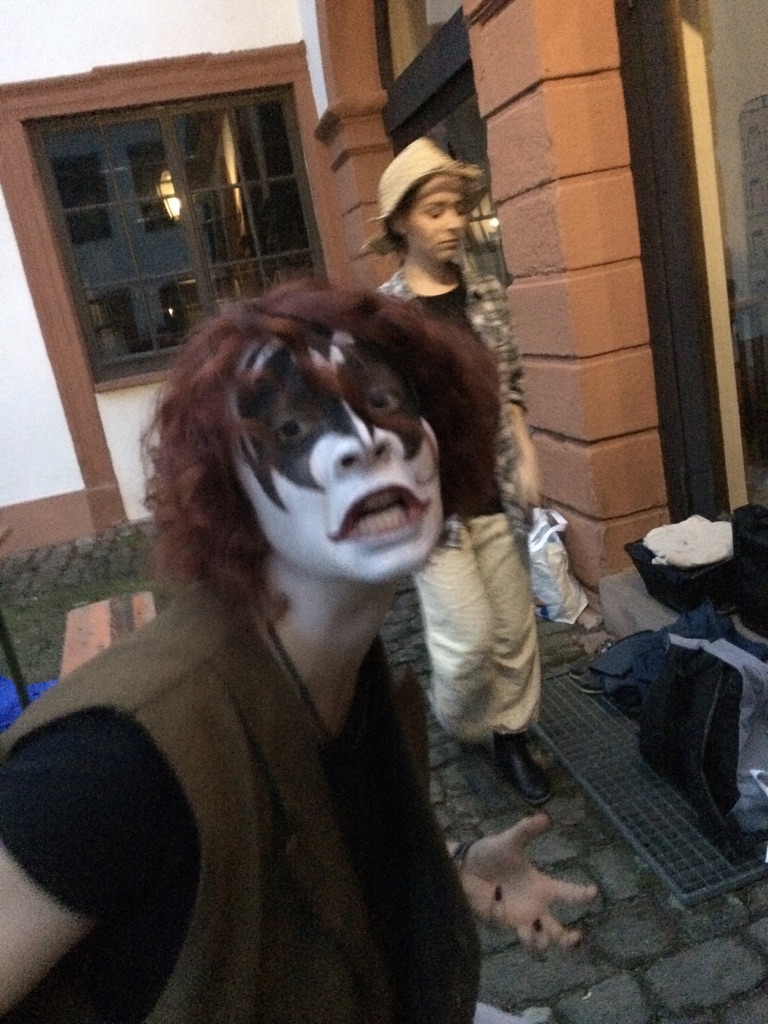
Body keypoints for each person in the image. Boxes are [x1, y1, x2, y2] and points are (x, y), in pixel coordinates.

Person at [0, 280, 597, 1023]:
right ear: (229, 492)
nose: (366, 441)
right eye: (291, 428)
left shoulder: (347, 669)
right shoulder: (116, 763)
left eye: (383, 402)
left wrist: (446, 868)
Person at [372, 137, 549, 804]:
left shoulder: (486, 295)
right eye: (434, 211)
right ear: (400, 222)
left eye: (456, 209)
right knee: (468, 641)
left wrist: (526, 452)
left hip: (493, 490)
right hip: (432, 506)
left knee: (513, 630)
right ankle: (467, 727)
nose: (451, 223)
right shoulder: (385, 317)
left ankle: (513, 735)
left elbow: (510, 386)